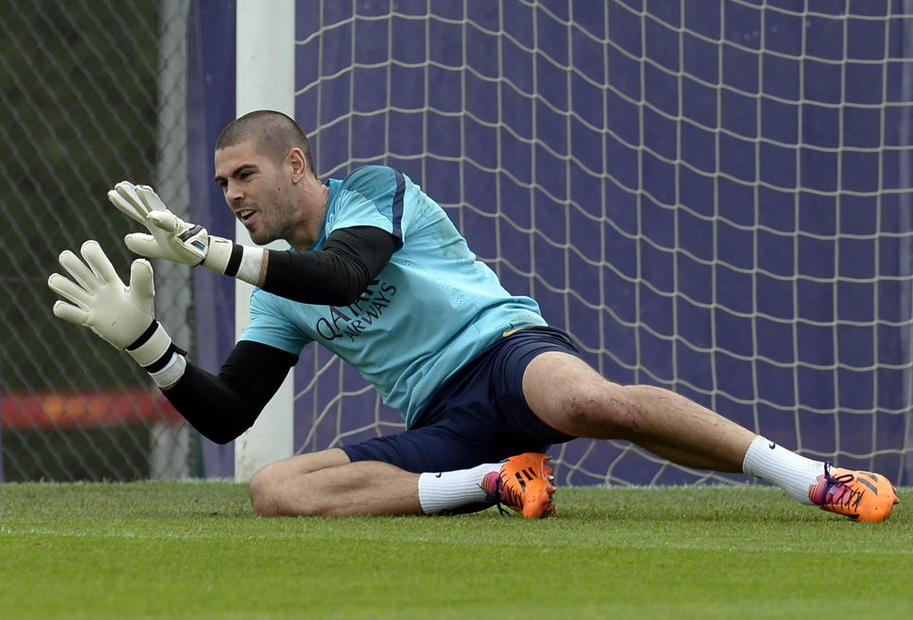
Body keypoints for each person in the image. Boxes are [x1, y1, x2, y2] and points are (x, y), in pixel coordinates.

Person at [48, 109, 900, 522]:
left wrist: (213, 255)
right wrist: (146, 342)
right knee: (273, 490)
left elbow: (344, 275)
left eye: (244, 176)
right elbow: (230, 414)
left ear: (296, 164)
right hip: (443, 422)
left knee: (588, 402)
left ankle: (810, 476)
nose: (231, 195)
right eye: (223, 183)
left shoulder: (372, 191)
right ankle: (497, 479)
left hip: (504, 352)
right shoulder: (276, 287)